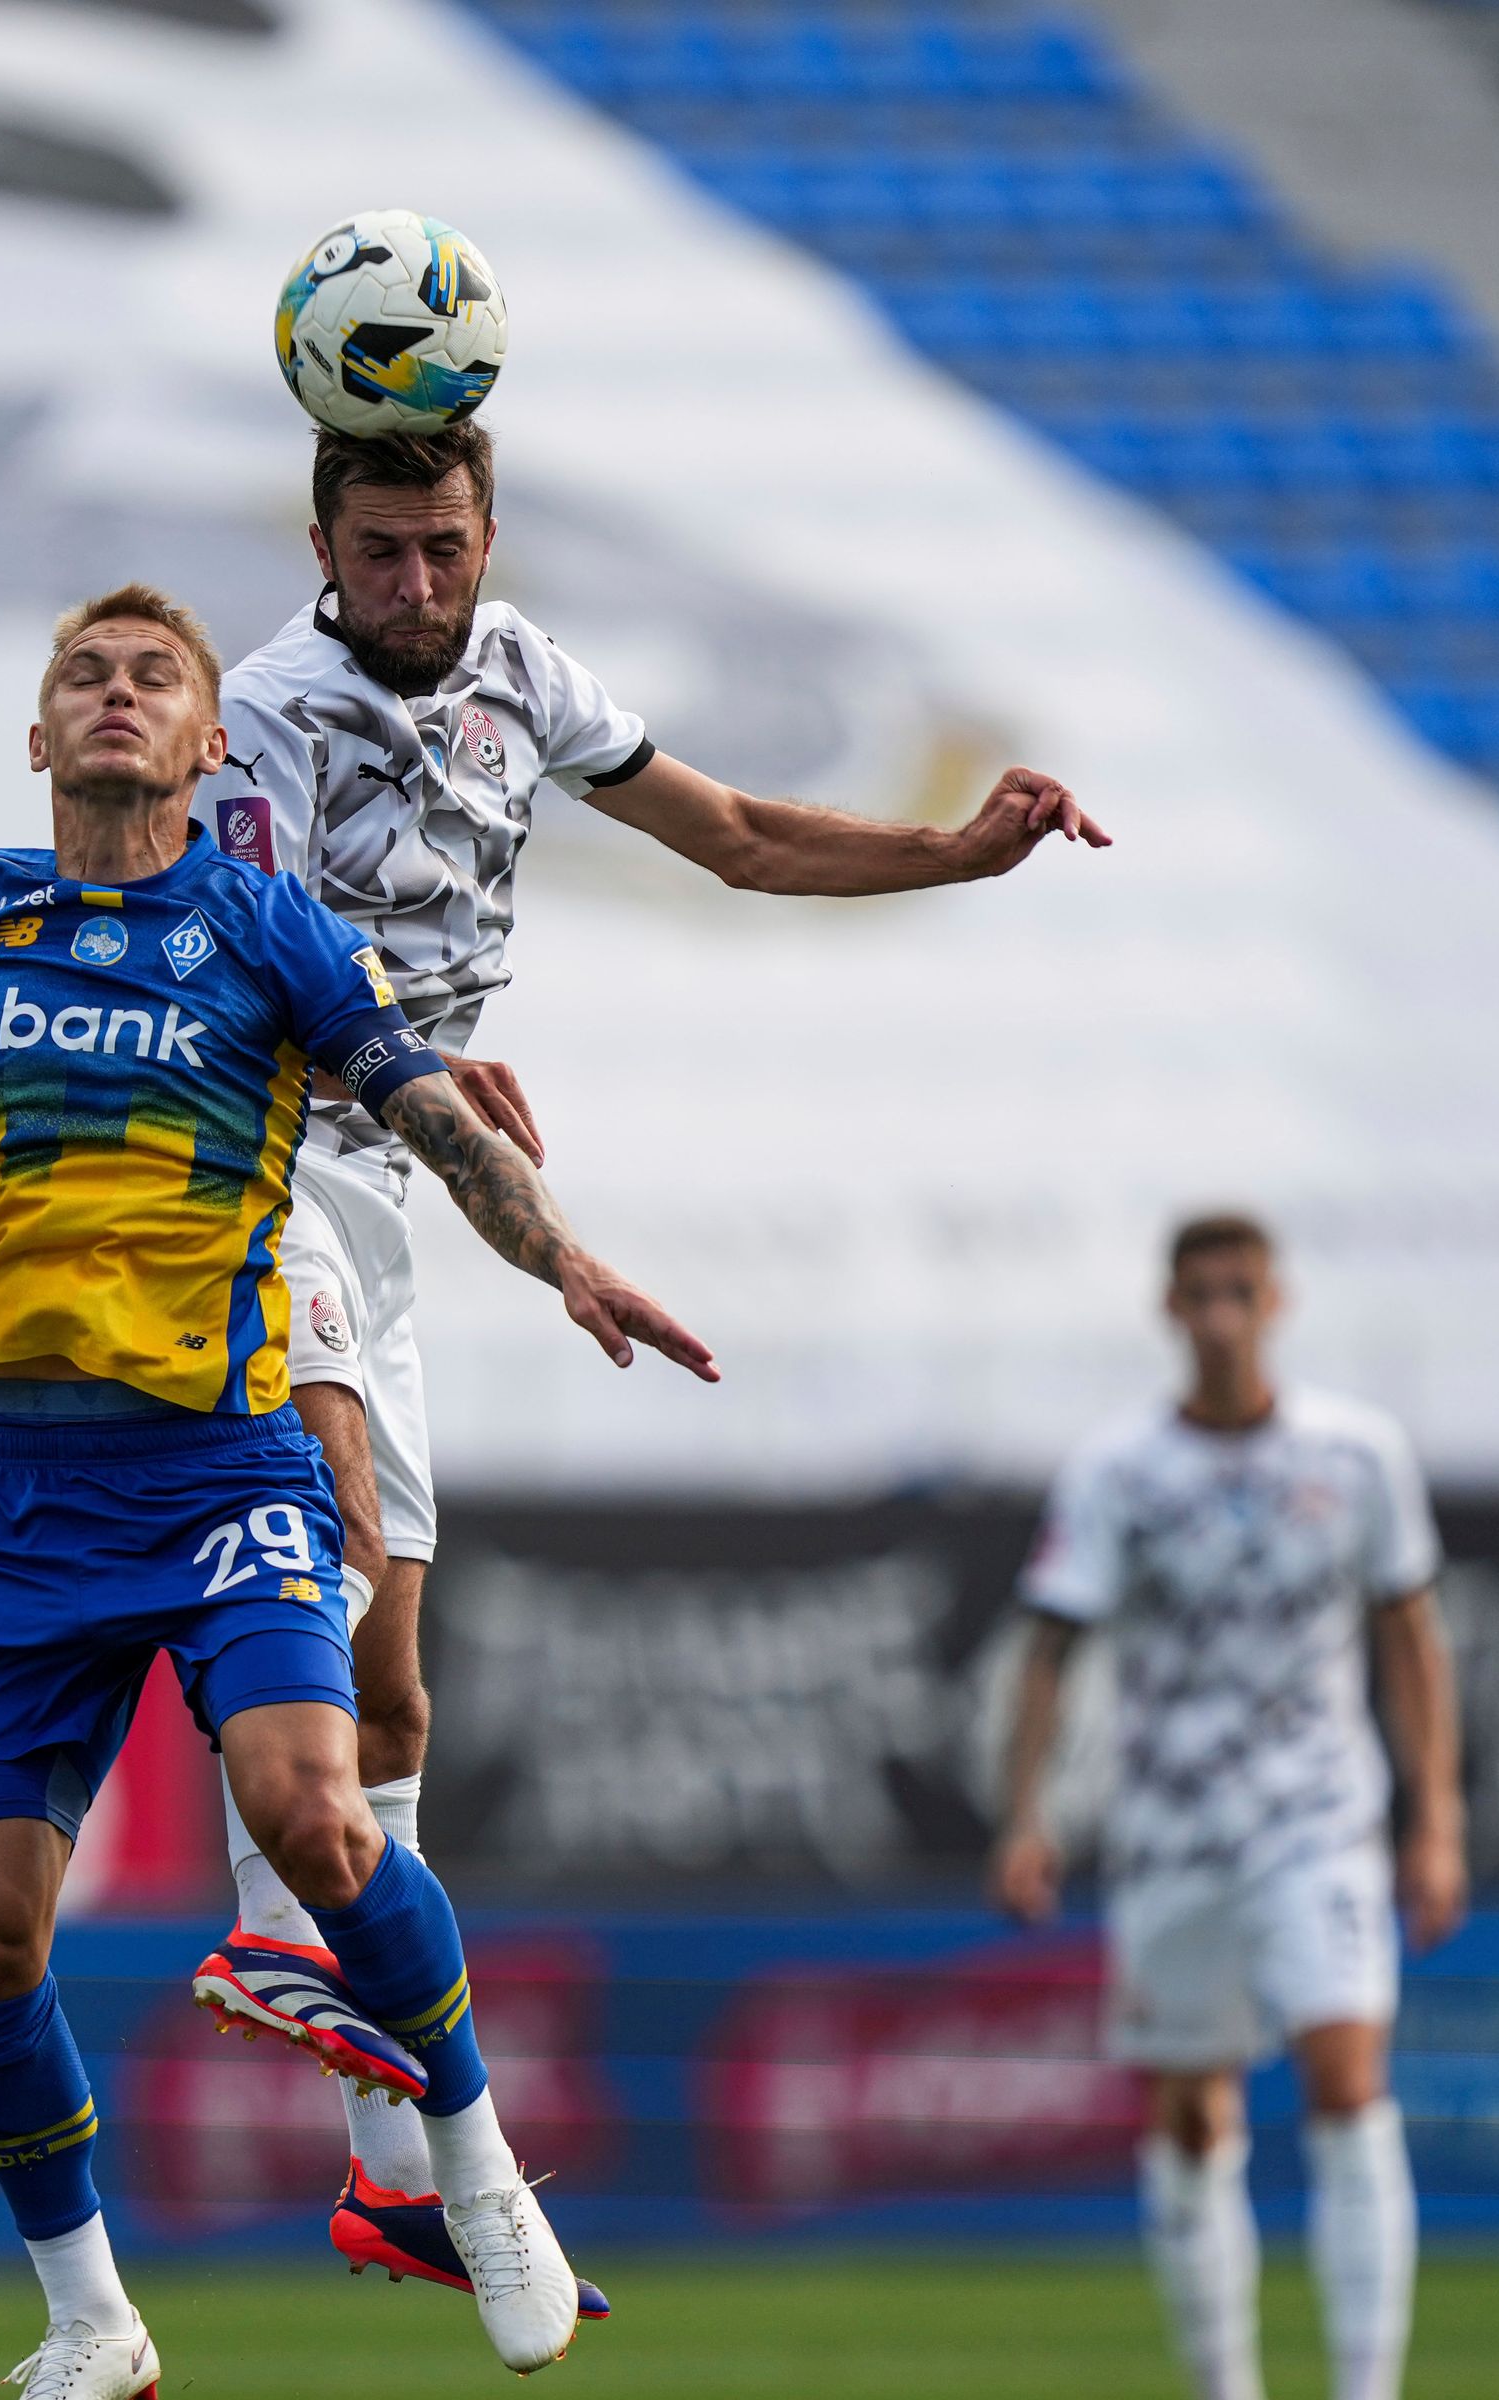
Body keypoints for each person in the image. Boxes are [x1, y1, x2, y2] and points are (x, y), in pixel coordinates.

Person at [0, 582, 714, 2400]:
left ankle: (479, 2167)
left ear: (208, 747)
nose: (118, 699)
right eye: (84, 679)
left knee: (314, 1804)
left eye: (154, 681)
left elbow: (432, 1117)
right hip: (24, 1501)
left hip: (221, 1462)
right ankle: (88, 2319)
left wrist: (568, 1257)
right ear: (40, 738)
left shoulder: (270, 924)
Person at [179, 418, 1108, 2291]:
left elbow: (744, 837)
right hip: (259, 1158)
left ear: (491, 530)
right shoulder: (268, 715)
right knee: (335, 1547)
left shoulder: (525, 675)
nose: (417, 585)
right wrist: (432, 1080)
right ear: (320, 542)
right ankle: (283, 1931)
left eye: (443, 546)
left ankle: (392, 2179)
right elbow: (250, 963)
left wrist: (955, 853)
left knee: (404, 1704)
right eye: (381, 551)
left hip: (396, 1187)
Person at [987, 1212, 1459, 2400]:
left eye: (1240, 1292)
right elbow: (1052, 1648)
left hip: (1321, 1821)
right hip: (1170, 1830)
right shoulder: (1119, 1470)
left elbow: (1411, 1633)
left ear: (1277, 1301)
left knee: (1347, 2079)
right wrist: (1029, 1816)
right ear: (1169, 1309)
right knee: (1195, 2118)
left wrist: (1436, 1822)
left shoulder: (1358, 1455)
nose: (1220, 1316)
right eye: (1198, 1294)